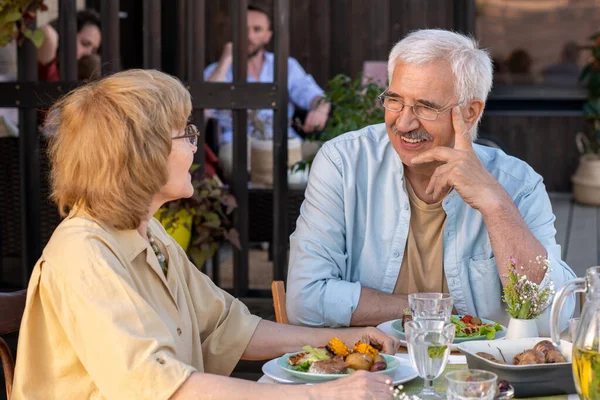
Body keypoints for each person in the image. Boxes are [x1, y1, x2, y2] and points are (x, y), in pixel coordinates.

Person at [11, 69, 400, 400]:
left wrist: (346, 340)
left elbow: (231, 329)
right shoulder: (84, 253)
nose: (197, 147)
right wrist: (317, 394)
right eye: (187, 134)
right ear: (142, 153)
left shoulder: (148, 234)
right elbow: (164, 387)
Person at [286, 29, 576, 334]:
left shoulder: (519, 185)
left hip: (479, 377)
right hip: (369, 371)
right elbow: (305, 301)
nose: (404, 123)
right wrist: (433, 310)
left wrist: (495, 204)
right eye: (395, 100)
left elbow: (552, 317)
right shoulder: (344, 163)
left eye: (425, 107)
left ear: (470, 112)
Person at [204, 4, 330, 178]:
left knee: (332, 155)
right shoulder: (218, 69)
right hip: (239, 146)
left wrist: (320, 109)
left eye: (257, 29)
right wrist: (226, 60)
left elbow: (312, 93)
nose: (249, 36)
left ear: (267, 36)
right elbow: (204, 106)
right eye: (243, 29)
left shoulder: (285, 65)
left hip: (285, 143)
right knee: (233, 165)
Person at [37, 9, 102, 81]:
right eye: (85, 44)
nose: (89, 54)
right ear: (66, 35)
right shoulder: (50, 66)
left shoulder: (85, 76)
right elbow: (47, 33)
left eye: (94, 50)